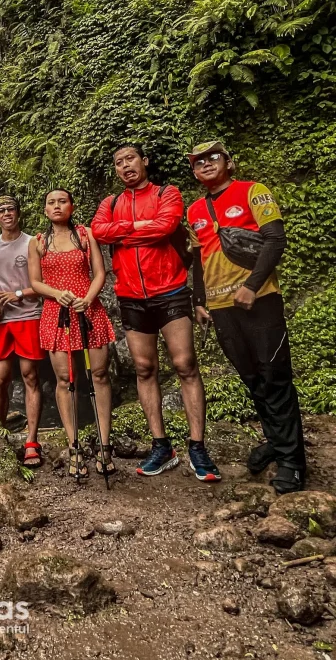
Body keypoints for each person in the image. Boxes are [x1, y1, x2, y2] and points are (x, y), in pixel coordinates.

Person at [91, 145, 221, 482]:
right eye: (119, 162)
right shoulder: (110, 203)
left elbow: (165, 226)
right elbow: (99, 231)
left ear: (144, 161)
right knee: (144, 368)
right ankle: (162, 446)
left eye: (130, 159)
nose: (125, 166)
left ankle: (197, 446)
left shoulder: (167, 193)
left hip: (171, 291)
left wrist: (126, 231)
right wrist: (139, 226)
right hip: (131, 296)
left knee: (185, 364)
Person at [187, 141, 305, 494]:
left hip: (260, 300)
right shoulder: (195, 210)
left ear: (229, 162)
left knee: (275, 376)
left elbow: (275, 240)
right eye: (198, 162)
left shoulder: (253, 191)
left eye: (213, 157)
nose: (206, 164)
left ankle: (292, 462)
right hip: (220, 306)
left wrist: (252, 286)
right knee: (252, 377)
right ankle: (277, 441)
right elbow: (199, 259)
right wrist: (199, 301)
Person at [28, 188, 116, 479]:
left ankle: (105, 444)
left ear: (72, 206)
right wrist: (57, 294)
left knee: (99, 374)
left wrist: (87, 299)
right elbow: (35, 282)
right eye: (51, 202)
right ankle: (73, 444)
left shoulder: (86, 234)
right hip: (57, 312)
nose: (57, 206)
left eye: (62, 201)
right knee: (66, 379)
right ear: (45, 210)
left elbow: (99, 273)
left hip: (88, 310)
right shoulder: (38, 242)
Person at [0, 196, 45, 466]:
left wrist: (18, 294)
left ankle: (31, 441)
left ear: (18, 213)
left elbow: (42, 283)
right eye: (1, 210)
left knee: (30, 376)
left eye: (11, 209)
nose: (6, 214)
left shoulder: (32, 243)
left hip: (28, 316)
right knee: (1, 379)